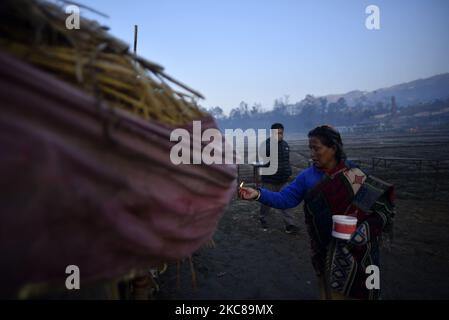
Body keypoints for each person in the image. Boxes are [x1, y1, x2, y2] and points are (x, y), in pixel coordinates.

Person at [240, 125, 395, 300]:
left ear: (333, 148)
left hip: (358, 252)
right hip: (324, 250)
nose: (312, 154)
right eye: (310, 149)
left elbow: (377, 209)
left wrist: (362, 233)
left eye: (316, 148)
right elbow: (285, 199)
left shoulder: (354, 175)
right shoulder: (307, 177)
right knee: (329, 293)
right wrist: (258, 194)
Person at [259, 123, 299, 234]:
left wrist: (288, 171)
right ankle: (263, 218)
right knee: (266, 203)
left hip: (283, 181)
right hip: (269, 180)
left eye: (281, 133)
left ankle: (289, 225)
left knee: (286, 202)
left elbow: (286, 161)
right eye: (277, 133)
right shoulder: (266, 145)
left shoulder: (285, 145)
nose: (280, 135)